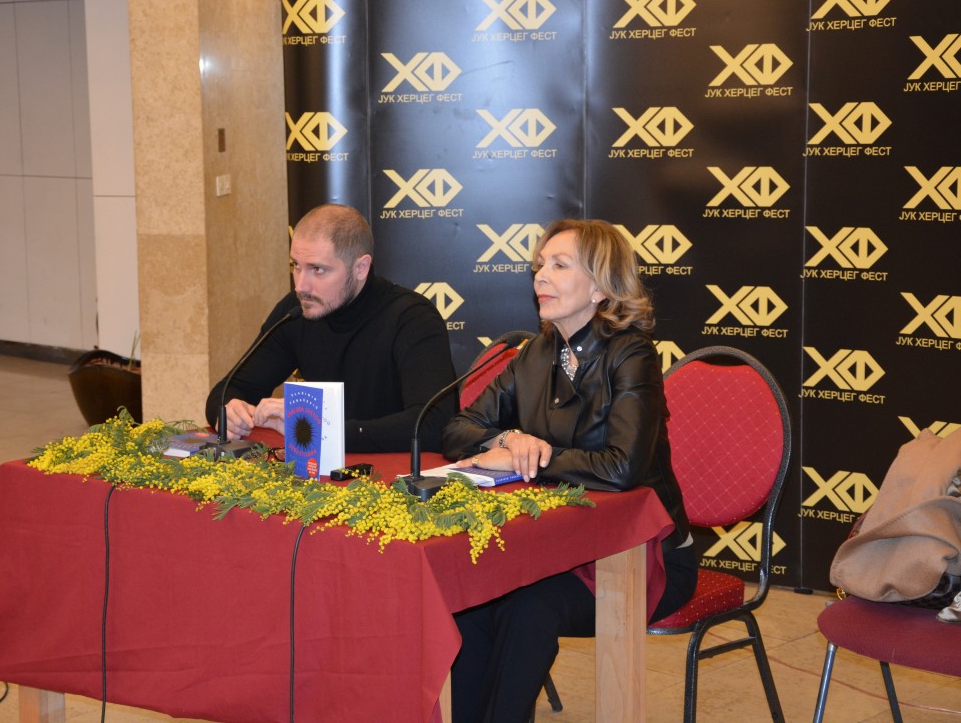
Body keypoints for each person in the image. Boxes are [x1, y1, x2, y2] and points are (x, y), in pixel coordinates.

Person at [441, 218, 697, 723]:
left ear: (600, 287)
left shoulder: (632, 354)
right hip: (556, 548)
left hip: (643, 557)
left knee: (527, 607)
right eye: (540, 265)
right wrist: (509, 440)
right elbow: (457, 428)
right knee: (470, 599)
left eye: (559, 265)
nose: (540, 276)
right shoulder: (536, 354)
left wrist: (534, 456)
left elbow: (623, 467)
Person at [205, 203, 458, 453]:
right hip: (317, 468)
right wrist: (229, 411)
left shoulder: (412, 318)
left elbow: (433, 425)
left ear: (360, 268)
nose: (301, 286)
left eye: (318, 269)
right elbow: (228, 390)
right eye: (296, 266)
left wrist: (324, 430)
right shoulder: (296, 311)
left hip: (394, 471)